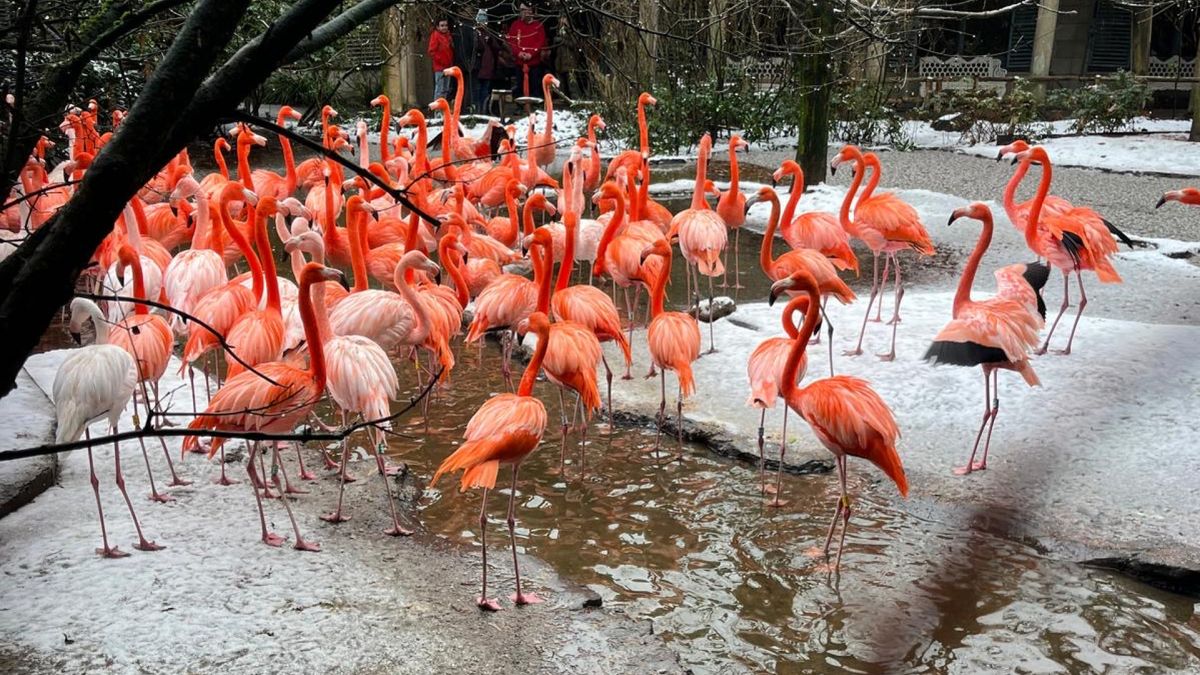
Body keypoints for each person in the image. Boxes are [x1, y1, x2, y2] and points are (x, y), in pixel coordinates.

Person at [505, 2, 548, 98]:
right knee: (519, 88)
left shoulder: (538, 25)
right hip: (519, 63)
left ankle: (535, 108)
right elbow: (511, 41)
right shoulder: (515, 25)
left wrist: (531, 54)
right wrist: (518, 53)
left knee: (535, 87)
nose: (523, 13)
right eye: (521, 10)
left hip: (534, 63)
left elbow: (540, 42)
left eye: (525, 10)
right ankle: (520, 108)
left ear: (530, 11)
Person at [472, 11, 503, 115]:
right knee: (477, 91)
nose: (483, 23)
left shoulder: (489, 34)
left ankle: (484, 112)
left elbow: (497, 48)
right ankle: (477, 112)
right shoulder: (474, 34)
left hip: (488, 67)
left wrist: (490, 42)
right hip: (478, 67)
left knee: (485, 92)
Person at [427, 17, 454, 103]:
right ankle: (437, 110)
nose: (444, 27)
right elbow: (431, 51)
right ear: (438, 27)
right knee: (439, 90)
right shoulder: (435, 36)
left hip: (447, 66)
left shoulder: (448, 36)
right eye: (442, 26)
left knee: (445, 90)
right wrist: (440, 60)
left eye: (446, 25)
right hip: (439, 67)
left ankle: (443, 109)